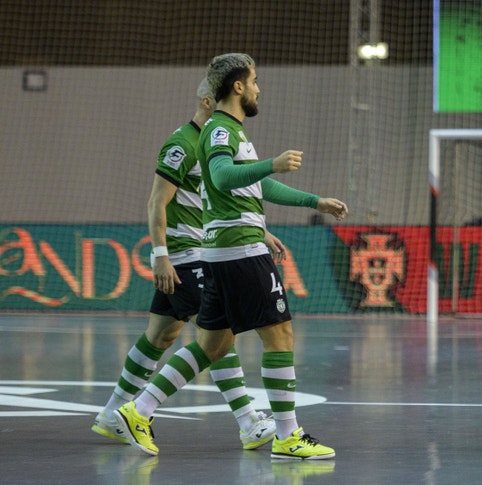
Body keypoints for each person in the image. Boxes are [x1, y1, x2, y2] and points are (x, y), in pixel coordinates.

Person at [115, 53, 348, 460]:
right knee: (280, 336)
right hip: (239, 250)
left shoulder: (229, 131)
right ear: (237, 86)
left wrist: (315, 201)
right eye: (255, 81)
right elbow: (224, 177)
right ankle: (287, 436)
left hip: (223, 252)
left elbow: (257, 187)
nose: (259, 88)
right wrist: (271, 164)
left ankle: (139, 408)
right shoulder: (222, 130)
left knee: (212, 345)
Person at [92, 78, 280, 451]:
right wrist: (160, 256)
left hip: (199, 248)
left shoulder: (215, 141)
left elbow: (224, 197)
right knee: (218, 336)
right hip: (185, 254)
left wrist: (261, 230)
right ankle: (248, 422)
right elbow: (156, 203)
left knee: (160, 336)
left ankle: (113, 413)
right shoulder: (184, 143)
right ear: (210, 101)